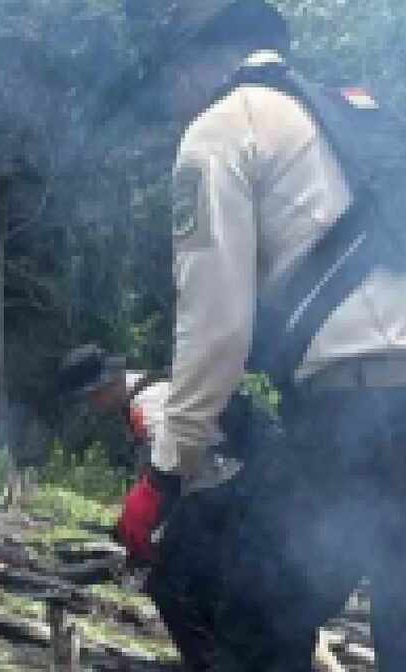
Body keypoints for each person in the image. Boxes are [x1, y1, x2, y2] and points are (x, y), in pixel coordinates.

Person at [119, 1, 406, 668]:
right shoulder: (356, 123)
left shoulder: (223, 129)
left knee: (233, 612)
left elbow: (213, 332)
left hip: (356, 420)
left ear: (195, 63)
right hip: (372, 406)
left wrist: (162, 478)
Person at [58, 344, 239, 671]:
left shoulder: (147, 402)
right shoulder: (141, 397)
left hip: (216, 491)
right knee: (196, 585)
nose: (91, 406)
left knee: (170, 585)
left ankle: (207, 664)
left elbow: (174, 457)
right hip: (210, 492)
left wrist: (152, 510)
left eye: (91, 397)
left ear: (107, 386)